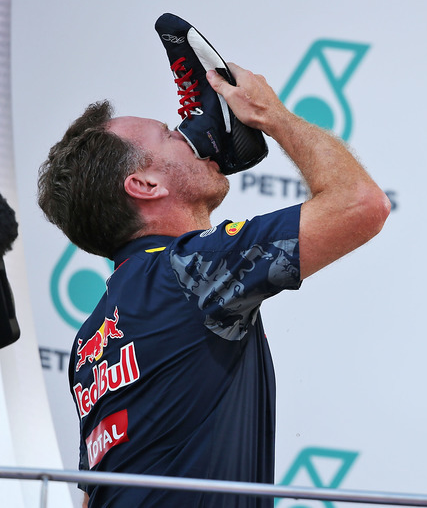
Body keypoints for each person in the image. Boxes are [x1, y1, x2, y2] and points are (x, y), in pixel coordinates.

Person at [37, 59, 390, 506]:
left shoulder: (91, 337)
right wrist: (271, 115)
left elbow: (93, 492)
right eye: (170, 134)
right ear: (145, 184)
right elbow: (360, 204)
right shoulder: (186, 268)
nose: (193, 135)